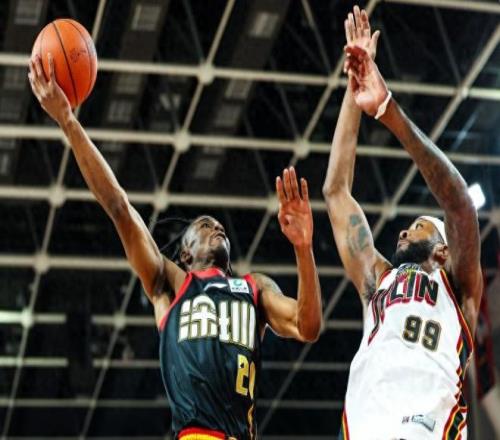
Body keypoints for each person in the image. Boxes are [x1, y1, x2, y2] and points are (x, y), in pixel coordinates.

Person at [28, 55, 323, 440]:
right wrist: (68, 121)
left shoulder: (255, 288)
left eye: (218, 226)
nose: (217, 226)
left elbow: (308, 326)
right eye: (204, 225)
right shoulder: (170, 284)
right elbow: (118, 206)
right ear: (185, 254)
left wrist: (303, 247)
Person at [323, 6, 482, 439]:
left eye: (419, 227)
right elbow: (336, 193)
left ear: (443, 249)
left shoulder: (458, 288)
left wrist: (387, 109)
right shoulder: (378, 281)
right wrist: (355, 88)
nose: (404, 231)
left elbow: (459, 205)